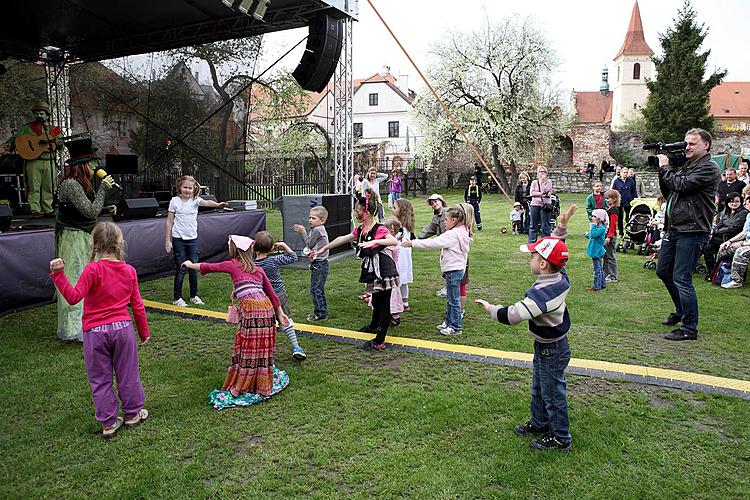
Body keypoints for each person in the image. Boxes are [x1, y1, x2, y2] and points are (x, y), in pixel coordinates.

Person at [49, 222, 150, 439]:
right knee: (128, 374)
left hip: (95, 332)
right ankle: (132, 414)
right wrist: (144, 332)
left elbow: (74, 297)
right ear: (120, 243)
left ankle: (109, 422)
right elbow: (137, 304)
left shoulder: (92, 269)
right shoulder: (129, 270)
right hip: (123, 329)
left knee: (100, 378)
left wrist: (58, 274)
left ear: (94, 245)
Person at [475, 236, 572, 452]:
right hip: (549, 346)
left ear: (543, 264)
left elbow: (513, 315)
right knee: (540, 388)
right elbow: (559, 254)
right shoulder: (560, 278)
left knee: (553, 393)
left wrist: (492, 308)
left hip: (552, 350)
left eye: (533, 256)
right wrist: (561, 229)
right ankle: (540, 423)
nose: (530, 259)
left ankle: (560, 438)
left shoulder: (541, 295)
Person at [183, 235, 290, 397]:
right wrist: (280, 314)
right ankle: (262, 384)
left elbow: (209, 266)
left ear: (234, 249)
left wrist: (190, 264)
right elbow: (272, 295)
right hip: (266, 310)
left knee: (247, 347)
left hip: (251, 310)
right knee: (262, 347)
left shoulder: (232, 265)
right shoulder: (258, 269)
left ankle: (242, 384)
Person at [656, 128, 720, 341]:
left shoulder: (709, 168)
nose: (687, 147)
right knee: (663, 271)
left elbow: (681, 185)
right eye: (686, 143)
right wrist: (664, 169)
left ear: (706, 145)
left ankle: (689, 328)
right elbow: (669, 191)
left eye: (692, 143)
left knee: (682, 278)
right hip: (675, 228)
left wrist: (666, 166)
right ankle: (681, 310)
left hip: (692, 230)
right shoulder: (687, 166)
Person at [318, 189, 399, 350]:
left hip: (383, 269)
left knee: (383, 304)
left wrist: (373, 242)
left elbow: (392, 241)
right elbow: (343, 238)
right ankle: (373, 325)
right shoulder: (361, 229)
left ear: (366, 213)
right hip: (372, 269)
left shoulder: (380, 228)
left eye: (357, 210)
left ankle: (380, 340)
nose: (355, 212)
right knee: (375, 299)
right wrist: (324, 248)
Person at [55, 136, 117, 342]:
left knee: (90, 280)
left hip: (84, 235)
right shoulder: (71, 184)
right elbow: (90, 212)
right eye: (91, 163)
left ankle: (88, 322)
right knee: (75, 280)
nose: (94, 166)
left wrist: (107, 207)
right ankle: (72, 329)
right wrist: (103, 189)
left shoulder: (82, 183)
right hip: (73, 238)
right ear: (81, 165)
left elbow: (86, 210)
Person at [404, 204, 473, 336]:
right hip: (455, 270)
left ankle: (456, 327)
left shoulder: (452, 235)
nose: (444, 222)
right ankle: (448, 322)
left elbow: (433, 243)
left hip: (454, 271)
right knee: (451, 299)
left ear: (454, 220)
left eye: (446, 220)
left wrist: (413, 243)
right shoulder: (462, 231)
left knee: (453, 300)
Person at [165, 175, 226, 307]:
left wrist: (217, 204)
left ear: (194, 189)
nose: (187, 190)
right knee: (181, 268)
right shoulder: (174, 201)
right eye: (185, 187)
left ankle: (194, 295)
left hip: (192, 239)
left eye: (190, 188)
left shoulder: (195, 201)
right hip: (178, 239)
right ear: (179, 187)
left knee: (193, 267)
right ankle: (177, 298)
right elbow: (169, 222)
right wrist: (167, 240)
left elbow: (207, 203)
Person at [253, 231, 307, 361]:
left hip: (262, 298)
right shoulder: (274, 260)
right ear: (272, 248)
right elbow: (293, 257)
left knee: (265, 324)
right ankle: (296, 347)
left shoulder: (252, 265)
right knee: (285, 319)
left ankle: (265, 352)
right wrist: (283, 245)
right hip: (279, 295)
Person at [7, 103, 64, 217]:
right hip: (33, 161)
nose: (39, 115)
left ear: (47, 115)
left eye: (42, 113)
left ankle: (48, 209)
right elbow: (15, 139)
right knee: (34, 186)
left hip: (49, 161)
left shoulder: (55, 130)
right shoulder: (27, 128)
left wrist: (59, 144)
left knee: (49, 186)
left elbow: (61, 144)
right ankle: (35, 209)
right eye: (37, 113)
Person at [293, 206, 330, 322]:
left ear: (322, 220)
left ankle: (320, 314)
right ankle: (323, 311)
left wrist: (302, 231)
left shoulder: (317, 230)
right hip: (321, 263)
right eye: (309, 217)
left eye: (313, 218)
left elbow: (309, 244)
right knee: (319, 289)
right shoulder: (318, 229)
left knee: (315, 290)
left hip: (319, 264)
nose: (310, 220)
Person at [702, 193, 748, 276]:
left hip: (731, 238)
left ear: (741, 202)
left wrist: (715, 232)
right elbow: (719, 224)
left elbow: (733, 228)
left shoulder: (743, 213)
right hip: (719, 237)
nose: (734, 204)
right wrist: (714, 231)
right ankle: (711, 272)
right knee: (707, 248)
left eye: (737, 201)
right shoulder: (726, 212)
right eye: (731, 202)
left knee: (710, 245)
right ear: (727, 202)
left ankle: (714, 273)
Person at [419, 193, 448, 297]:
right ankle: (447, 286)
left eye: (436, 201)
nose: (434, 204)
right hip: (443, 244)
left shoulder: (447, 213)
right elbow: (430, 229)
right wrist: (417, 238)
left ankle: (448, 288)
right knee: (445, 265)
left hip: (449, 244)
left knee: (449, 266)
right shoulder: (437, 216)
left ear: (441, 201)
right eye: (432, 203)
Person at [719, 197, 750, 289]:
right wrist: (729, 241)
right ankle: (718, 274)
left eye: (747, 203)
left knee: (741, 252)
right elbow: (744, 233)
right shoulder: (749, 216)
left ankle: (737, 281)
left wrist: (741, 244)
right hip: (746, 242)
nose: (745, 205)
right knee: (724, 248)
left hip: (747, 244)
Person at [380, 217, 405, 325]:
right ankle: (389, 314)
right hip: (391, 269)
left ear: (391, 231)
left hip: (390, 270)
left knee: (392, 292)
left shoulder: (391, 244)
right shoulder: (395, 241)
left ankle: (394, 315)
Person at [392, 199, 415, 310]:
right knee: (403, 279)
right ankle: (404, 301)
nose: (392, 209)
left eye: (394, 207)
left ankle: (398, 301)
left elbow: (397, 239)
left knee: (399, 278)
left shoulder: (400, 225)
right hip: (405, 253)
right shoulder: (407, 224)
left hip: (400, 254)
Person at [528, 166, 553, 243]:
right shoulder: (534, 182)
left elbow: (547, 193)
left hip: (545, 205)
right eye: (540, 171)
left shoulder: (549, 182)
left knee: (545, 225)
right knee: (533, 225)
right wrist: (541, 194)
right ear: (537, 173)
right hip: (535, 205)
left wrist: (543, 183)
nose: (542, 173)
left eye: (544, 171)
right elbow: (532, 193)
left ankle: (545, 243)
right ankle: (532, 242)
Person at [585, 209, 608, 291]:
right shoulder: (599, 228)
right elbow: (592, 235)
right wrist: (587, 235)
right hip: (597, 250)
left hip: (597, 251)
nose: (592, 218)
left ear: (599, 219)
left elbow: (594, 234)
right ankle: (602, 284)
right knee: (600, 269)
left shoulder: (601, 228)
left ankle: (596, 286)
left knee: (597, 270)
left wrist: (593, 225)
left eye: (594, 216)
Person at [612, 167, 638, 237]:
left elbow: (634, 191)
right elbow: (614, 191)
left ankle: (628, 232)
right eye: (624, 172)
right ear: (621, 173)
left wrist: (636, 199)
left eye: (627, 172)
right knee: (620, 218)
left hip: (628, 201)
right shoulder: (616, 181)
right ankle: (621, 233)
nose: (625, 174)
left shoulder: (631, 181)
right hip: (619, 202)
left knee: (629, 217)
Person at [603, 189, 621, 283]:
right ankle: (605, 274)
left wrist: (609, 237)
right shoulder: (609, 209)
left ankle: (613, 276)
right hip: (606, 235)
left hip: (610, 237)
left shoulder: (614, 210)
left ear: (614, 199)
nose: (606, 200)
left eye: (608, 198)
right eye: (606, 198)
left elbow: (613, 225)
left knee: (610, 256)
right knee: (605, 256)